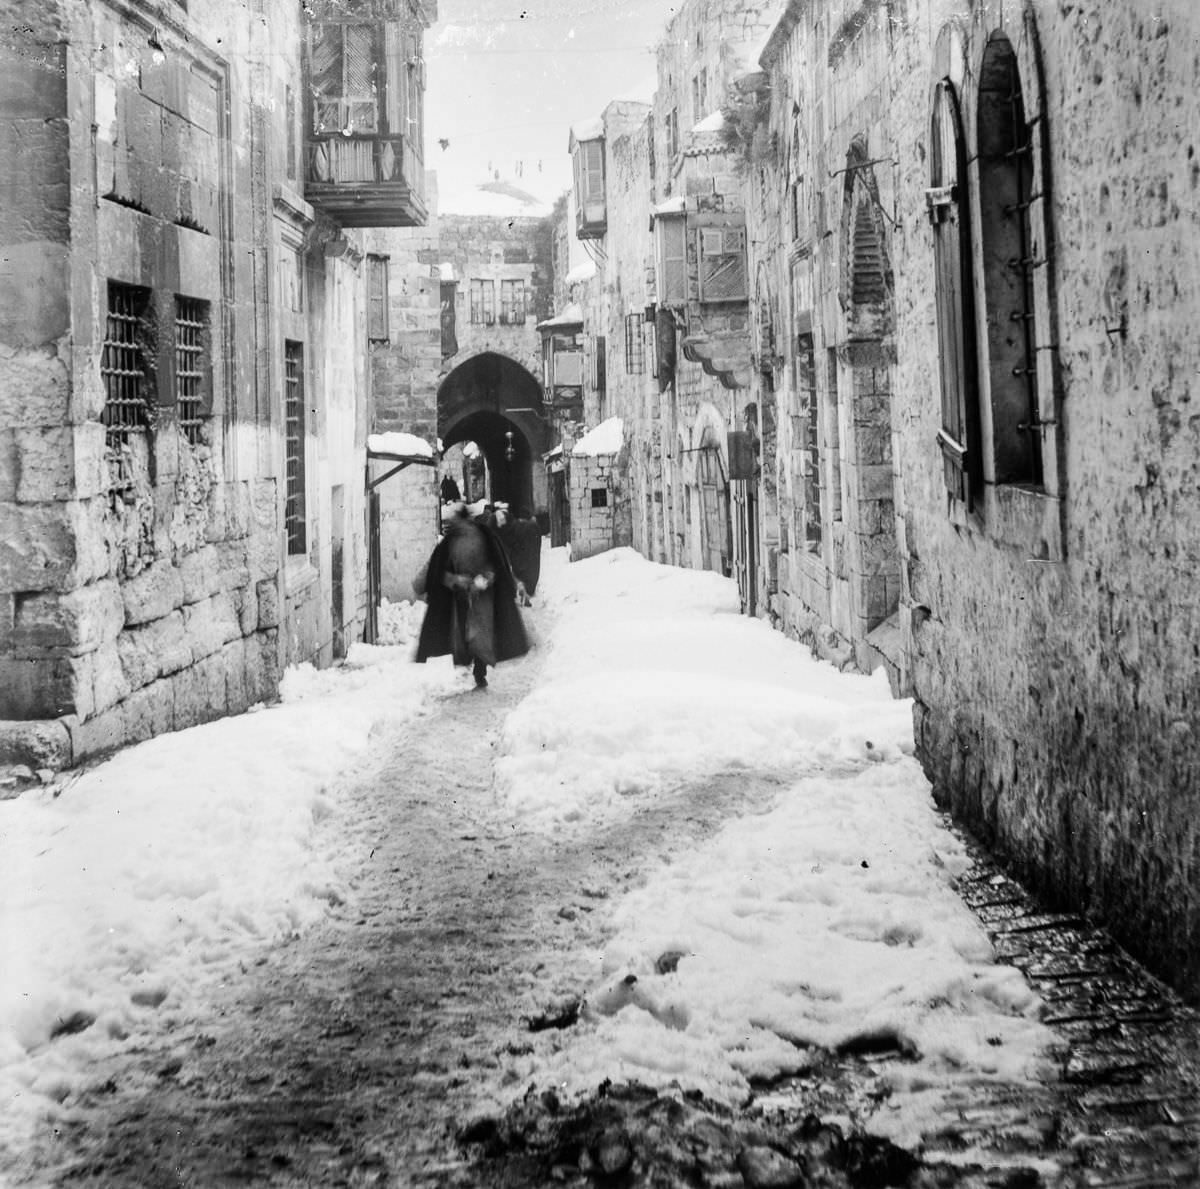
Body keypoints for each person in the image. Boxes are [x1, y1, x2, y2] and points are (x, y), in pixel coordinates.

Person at [414, 502, 529, 688]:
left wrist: (483, 580)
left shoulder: (484, 536)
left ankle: (480, 670)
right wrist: (455, 580)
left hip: (482, 595)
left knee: (480, 634)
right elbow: (439, 569)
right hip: (459, 597)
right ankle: (468, 660)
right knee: (464, 633)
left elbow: (495, 563)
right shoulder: (450, 541)